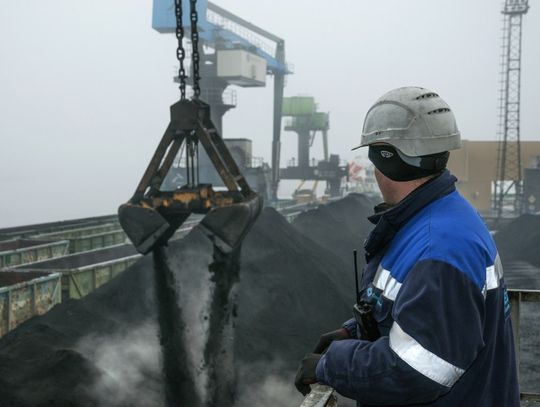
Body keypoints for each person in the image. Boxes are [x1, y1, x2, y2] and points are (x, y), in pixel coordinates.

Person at [294, 86, 520, 406]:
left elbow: (417, 371)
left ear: (386, 158)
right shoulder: (434, 219)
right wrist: (353, 332)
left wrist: (331, 364)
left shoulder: (438, 249)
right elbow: (410, 309)